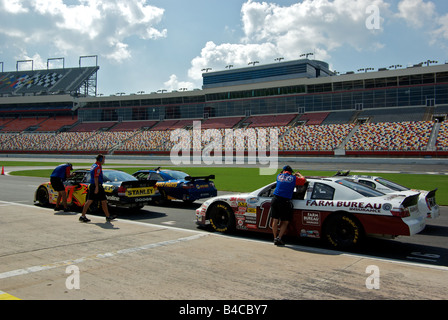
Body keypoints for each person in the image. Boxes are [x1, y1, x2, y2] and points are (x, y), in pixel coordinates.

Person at [270, 165, 307, 246]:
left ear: (283, 171)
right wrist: (299, 174)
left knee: (275, 220)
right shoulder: (293, 178)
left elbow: (283, 176)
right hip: (284, 201)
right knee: (285, 221)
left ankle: (274, 238)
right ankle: (279, 238)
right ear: (291, 172)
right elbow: (304, 180)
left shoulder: (278, 176)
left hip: (275, 199)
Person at [79, 154, 116, 223]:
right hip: (97, 185)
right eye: (104, 159)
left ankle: (83, 215)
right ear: (101, 160)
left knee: (91, 200)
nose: (104, 161)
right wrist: (97, 187)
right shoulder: (98, 167)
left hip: (93, 185)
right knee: (103, 201)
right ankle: (107, 216)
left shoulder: (94, 165)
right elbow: (96, 177)